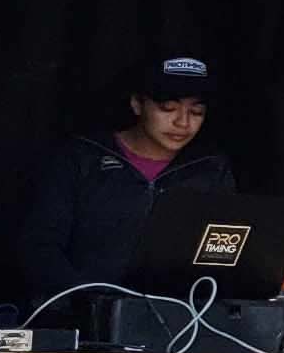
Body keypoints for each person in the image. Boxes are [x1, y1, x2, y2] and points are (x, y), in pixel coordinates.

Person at [14, 54, 238, 307]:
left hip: (181, 322)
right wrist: (85, 301)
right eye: (168, 108)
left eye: (196, 111)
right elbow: (40, 247)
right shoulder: (81, 158)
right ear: (137, 104)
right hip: (82, 321)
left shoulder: (210, 169)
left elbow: (222, 256)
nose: (182, 122)